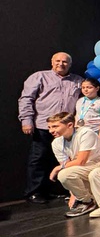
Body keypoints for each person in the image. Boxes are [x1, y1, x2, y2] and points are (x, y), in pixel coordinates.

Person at [19, 52, 84, 203]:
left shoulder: (78, 81)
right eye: (58, 61)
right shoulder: (39, 77)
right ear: (52, 62)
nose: (61, 64)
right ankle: (34, 192)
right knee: (39, 158)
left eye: (65, 62)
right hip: (43, 126)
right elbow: (26, 99)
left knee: (61, 159)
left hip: (67, 128)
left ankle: (55, 190)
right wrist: (26, 120)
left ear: (70, 64)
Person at [47, 112, 100, 217]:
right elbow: (67, 166)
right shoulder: (56, 143)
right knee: (63, 174)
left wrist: (58, 168)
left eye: (55, 126)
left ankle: (96, 201)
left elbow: (81, 161)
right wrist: (74, 193)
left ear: (70, 125)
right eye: (49, 127)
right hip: (83, 168)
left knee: (62, 172)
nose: (51, 131)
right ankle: (86, 202)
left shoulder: (85, 133)